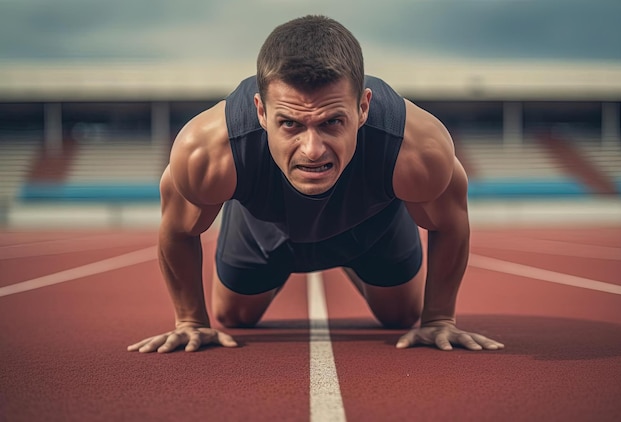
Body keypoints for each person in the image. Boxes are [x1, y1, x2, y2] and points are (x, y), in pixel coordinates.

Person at [128, 15, 504, 354]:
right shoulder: (207, 151)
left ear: (363, 108)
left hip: (373, 229)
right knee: (234, 316)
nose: (312, 150)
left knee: (402, 316)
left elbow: (449, 221)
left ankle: (364, 267)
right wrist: (190, 321)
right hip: (263, 229)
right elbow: (177, 228)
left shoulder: (417, 148)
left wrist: (439, 319)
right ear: (261, 111)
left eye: (332, 122)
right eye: (291, 123)